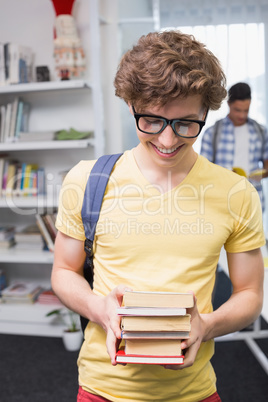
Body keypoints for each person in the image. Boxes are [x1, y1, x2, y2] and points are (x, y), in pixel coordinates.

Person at [51, 31, 265, 402]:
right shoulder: (86, 180)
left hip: (194, 391)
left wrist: (208, 325)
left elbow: (249, 293)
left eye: (185, 124)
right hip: (103, 389)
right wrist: (98, 308)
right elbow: (63, 272)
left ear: (205, 112)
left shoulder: (237, 193)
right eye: (151, 121)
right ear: (132, 104)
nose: (167, 141)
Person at [200, 82, 268, 208]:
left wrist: (261, 174)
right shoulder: (212, 133)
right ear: (229, 104)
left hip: (253, 201)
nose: (242, 115)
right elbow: (203, 171)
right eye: (237, 110)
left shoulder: (261, 131)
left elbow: (267, 166)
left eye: (246, 110)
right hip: (222, 202)